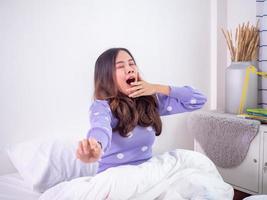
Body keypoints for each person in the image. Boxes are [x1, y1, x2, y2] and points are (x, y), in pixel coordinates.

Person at [76, 47, 207, 174]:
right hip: (115, 178)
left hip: (146, 175)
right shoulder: (102, 107)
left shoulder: (150, 101)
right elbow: (100, 128)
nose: (129, 69)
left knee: (195, 166)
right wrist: (96, 146)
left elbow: (198, 100)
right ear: (107, 77)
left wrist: (156, 88)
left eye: (132, 64)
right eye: (120, 66)